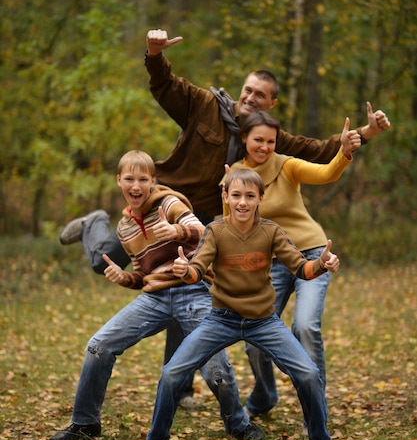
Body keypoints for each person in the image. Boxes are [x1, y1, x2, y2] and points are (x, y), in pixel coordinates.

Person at [58, 29, 391, 407]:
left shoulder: (265, 138)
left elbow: (318, 150)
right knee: (103, 260)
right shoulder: (204, 105)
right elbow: (166, 86)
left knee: (181, 289)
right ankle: (94, 224)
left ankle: (180, 386)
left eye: (259, 95)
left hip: (202, 218)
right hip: (161, 204)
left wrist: (366, 132)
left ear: (272, 103)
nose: (250, 98)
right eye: (247, 90)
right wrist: (153, 53)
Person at [50, 151, 263, 440]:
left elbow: (204, 233)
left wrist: (175, 230)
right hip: (155, 299)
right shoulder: (125, 228)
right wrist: (124, 278)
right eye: (129, 179)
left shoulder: (169, 203)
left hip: (193, 291)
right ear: (119, 182)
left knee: (215, 368)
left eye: (142, 179)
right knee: (98, 346)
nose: (135, 185)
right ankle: (85, 422)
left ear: (152, 181)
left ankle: (237, 423)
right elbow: (142, 275)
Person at [137, 169, 340, 440]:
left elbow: (301, 268)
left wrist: (321, 264)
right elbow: (197, 269)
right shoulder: (216, 231)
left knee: (309, 374)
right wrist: (184, 270)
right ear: (226, 197)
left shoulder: (271, 231)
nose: (242, 202)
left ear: (260, 199)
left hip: (263, 321)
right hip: (221, 319)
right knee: (171, 374)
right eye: (236, 195)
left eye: (249, 196)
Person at [223, 110, 360, 420]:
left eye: (271, 141)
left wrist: (344, 152)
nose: (265, 146)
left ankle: (316, 410)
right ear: (244, 138)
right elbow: (232, 226)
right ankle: (265, 394)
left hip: (311, 252)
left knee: (304, 327)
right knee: (255, 332)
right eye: (258, 140)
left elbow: (326, 174)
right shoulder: (234, 176)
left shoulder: (286, 165)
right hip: (270, 261)